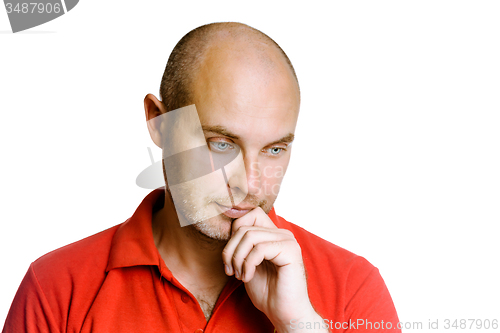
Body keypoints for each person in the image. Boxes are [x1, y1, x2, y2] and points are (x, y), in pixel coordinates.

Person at [2, 22, 401, 333]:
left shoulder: (353, 287)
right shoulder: (56, 288)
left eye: (274, 149)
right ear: (159, 123)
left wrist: (298, 324)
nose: (248, 183)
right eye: (221, 144)